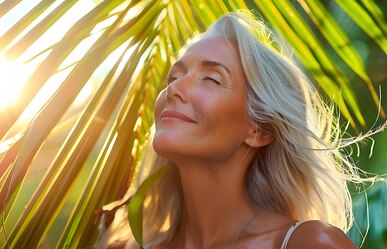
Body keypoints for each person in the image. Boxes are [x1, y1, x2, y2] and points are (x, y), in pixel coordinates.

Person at [98, 9, 373, 249]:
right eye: (175, 76)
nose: (174, 89)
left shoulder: (309, 244)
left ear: (259, 131)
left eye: (211, 79)